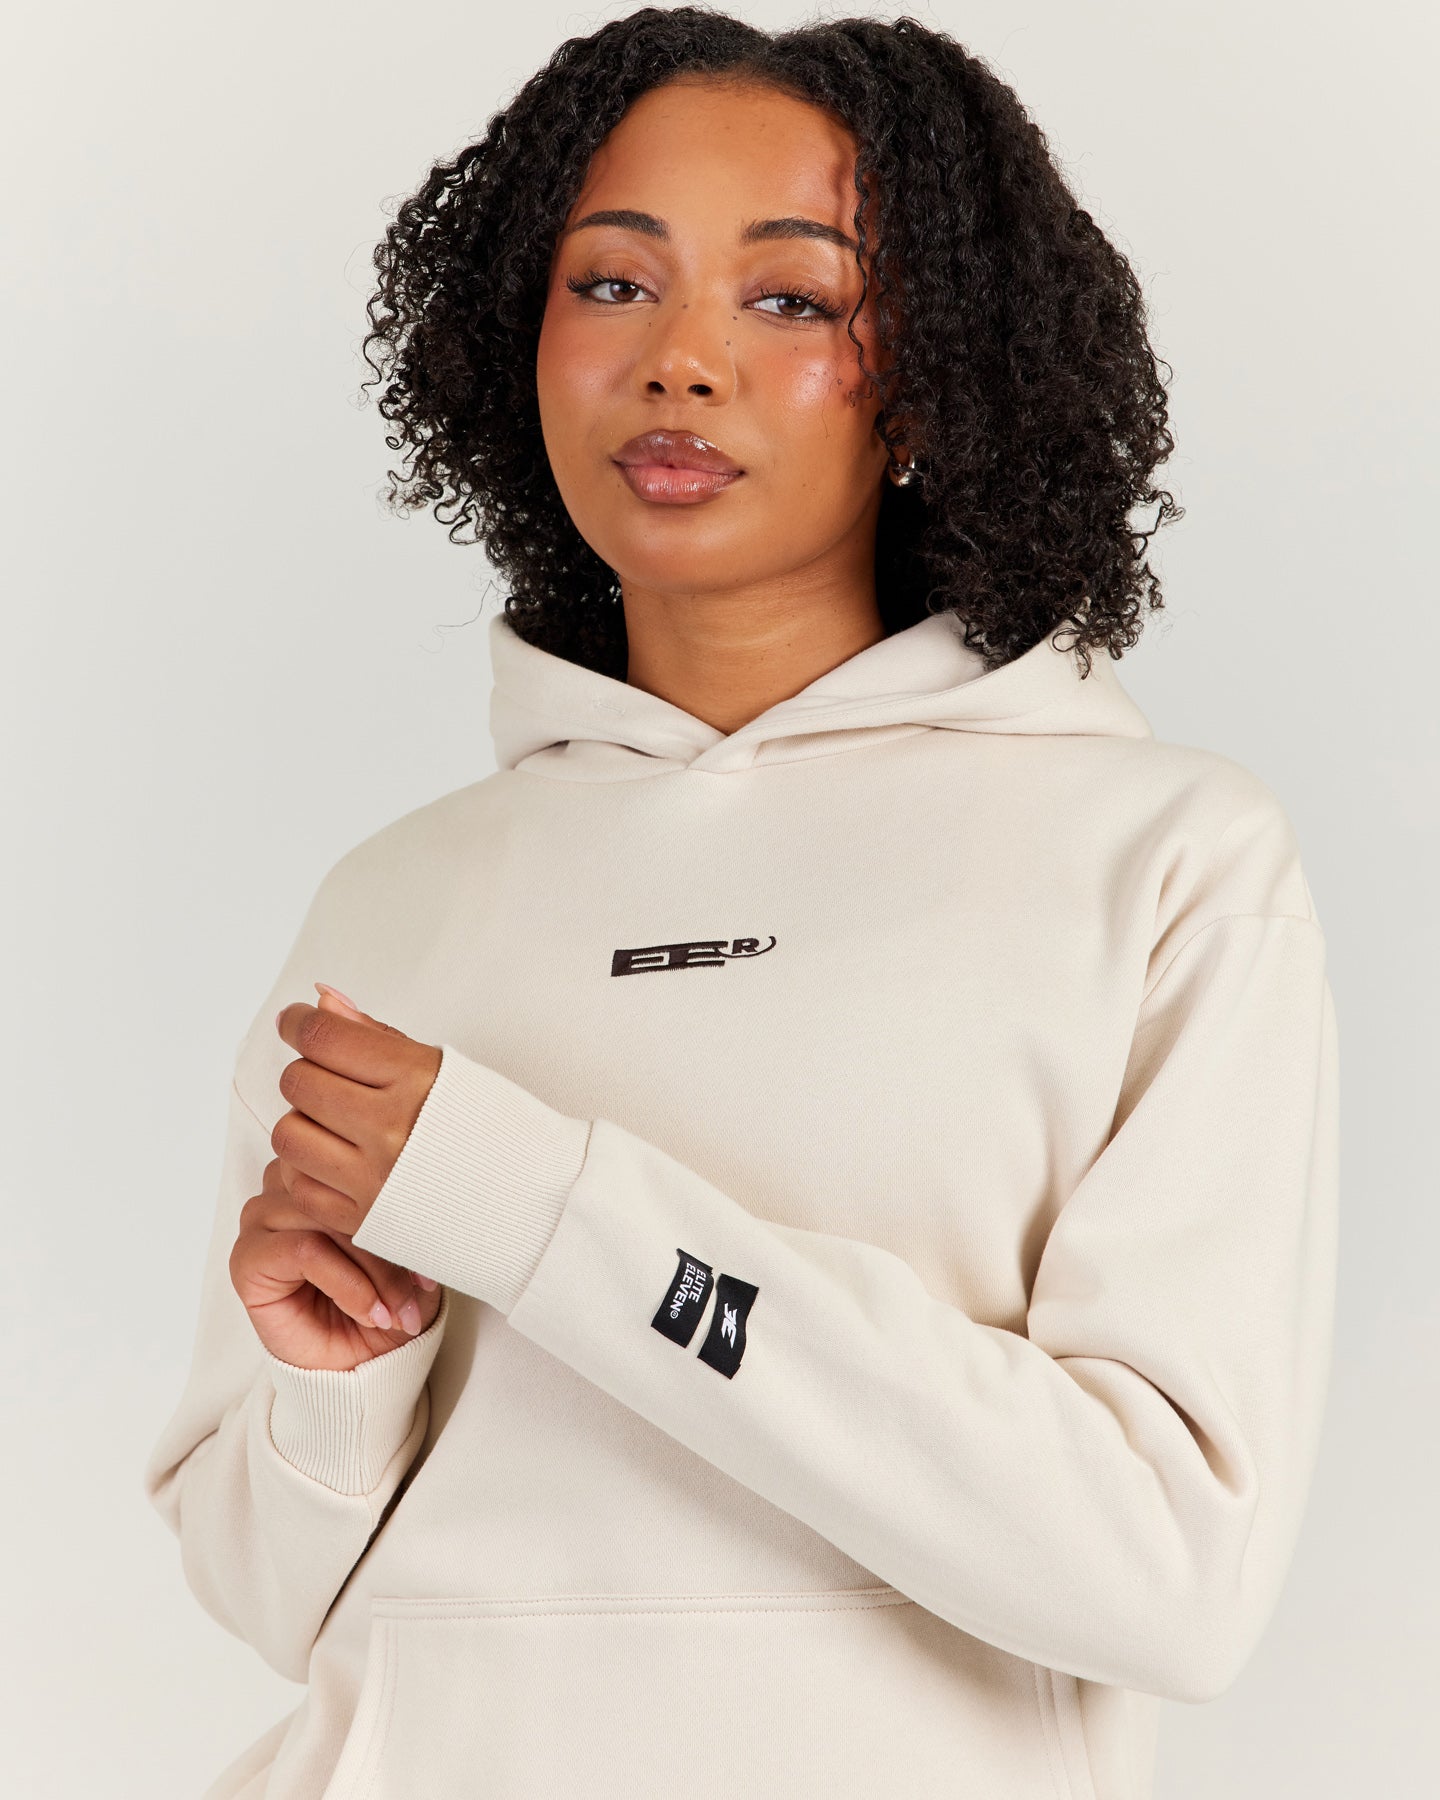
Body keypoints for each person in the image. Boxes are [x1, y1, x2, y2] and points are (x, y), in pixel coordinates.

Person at [142, 9, 1339, 1798]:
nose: (680, 362)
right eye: (613, 285)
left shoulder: (1160, 862)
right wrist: (344, 1374)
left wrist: (542, 1208)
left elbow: (1173, 1576)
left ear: (936, 372)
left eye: (791, 298)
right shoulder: (398, 899)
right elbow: (265, 1596)